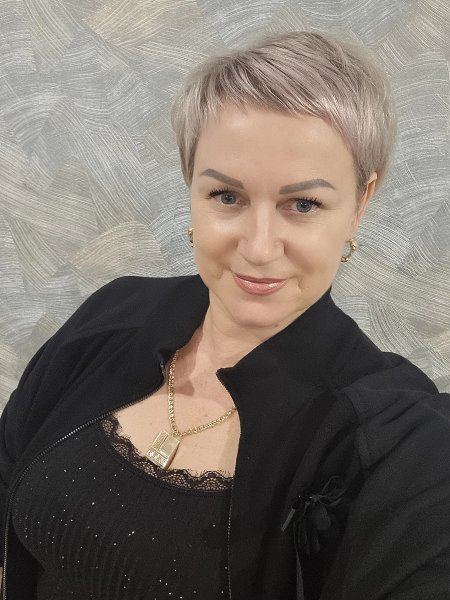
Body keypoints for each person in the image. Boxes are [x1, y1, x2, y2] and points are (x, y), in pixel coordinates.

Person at [0, 30, 449, 600]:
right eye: (227, 197)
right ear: (191, 184)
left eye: (303, 204)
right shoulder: (112, 314)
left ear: (360, 203)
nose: (259, 247)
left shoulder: (399, 437)